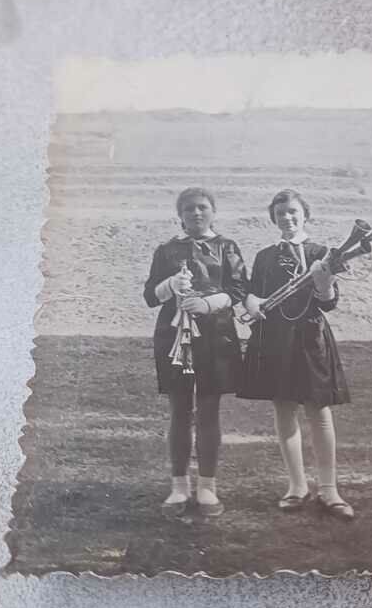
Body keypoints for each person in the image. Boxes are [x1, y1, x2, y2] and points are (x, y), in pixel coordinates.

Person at [238, 188, 354, 519]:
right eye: (280, 214)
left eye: (293, 212)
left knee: (319, 411)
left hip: (310, 337)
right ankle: (297, 486)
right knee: (284, 409)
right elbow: (253, 293)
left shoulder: (322, 252)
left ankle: (330, 491)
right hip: (274, 338)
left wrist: (323, 281)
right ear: (273, 219)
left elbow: (328, 303)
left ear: (305, 214)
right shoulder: (265, 256)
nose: (287, 218)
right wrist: (251, 303)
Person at [143, 187, 247, 517]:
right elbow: (150, 296)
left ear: (213, 211)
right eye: (189, 209)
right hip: (174, 337)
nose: (196, 213)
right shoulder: (166, 250)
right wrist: (172, 284)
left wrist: (207, 302)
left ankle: (207, 488)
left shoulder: (227, 247)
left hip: (216, 338)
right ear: (180, 215)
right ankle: (178, 488)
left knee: (208, 410)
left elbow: (239, 290)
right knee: (179, 410)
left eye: (202, 207)